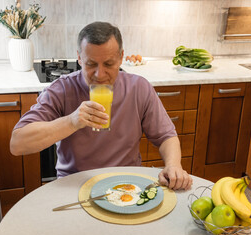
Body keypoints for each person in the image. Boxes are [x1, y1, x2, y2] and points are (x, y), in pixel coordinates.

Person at [10, 21, 192, 190]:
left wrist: (173, 165)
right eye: (90, 64)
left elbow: (166, 136)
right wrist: (72, 121)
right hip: (75, 184)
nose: (99, 74)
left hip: (126, 183)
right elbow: (17, 144)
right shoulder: (61, 90)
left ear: (121, 57)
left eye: (109, 64)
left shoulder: (139, 88)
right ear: (79, 58)